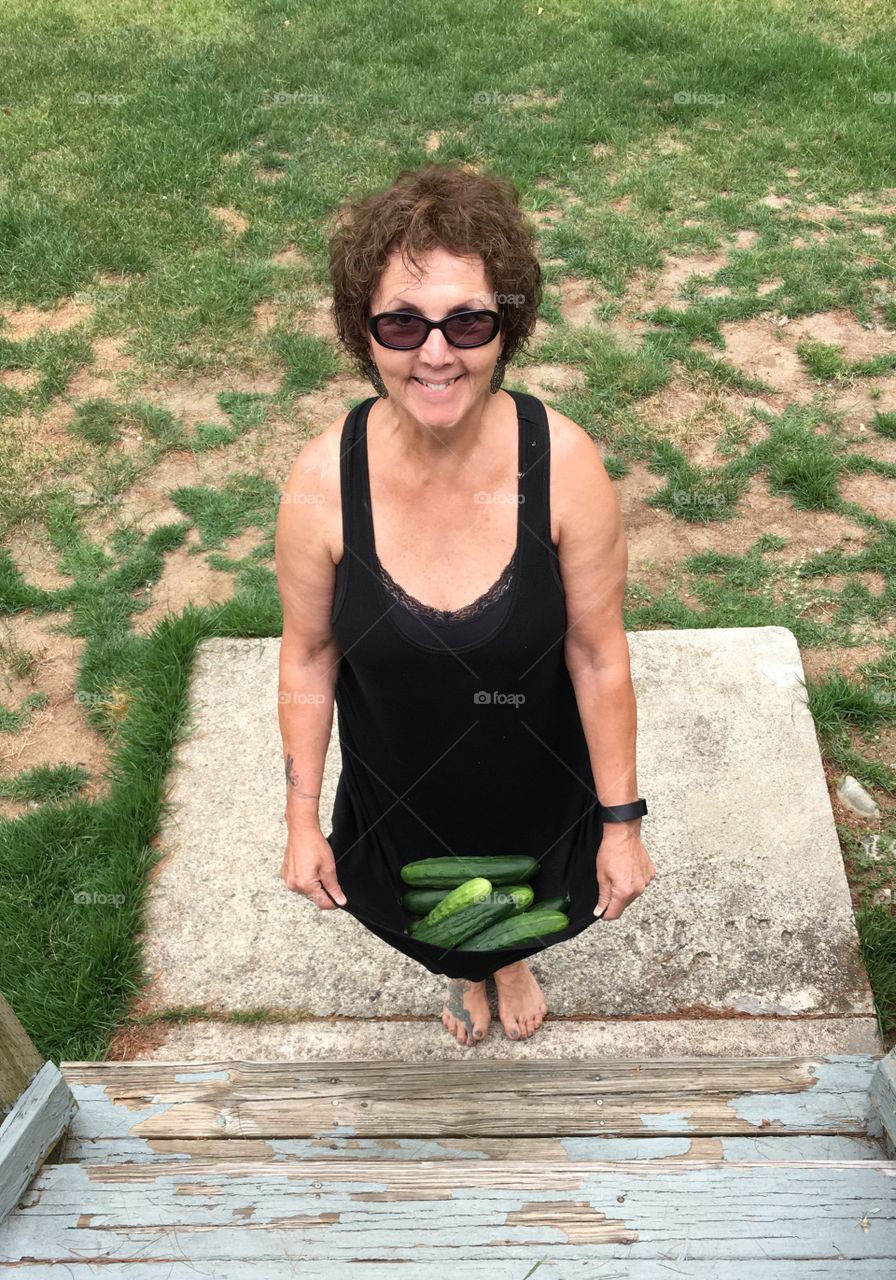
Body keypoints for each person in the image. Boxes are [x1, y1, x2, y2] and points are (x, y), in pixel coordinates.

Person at [276, 163, 655, 1046]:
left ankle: (505, 959)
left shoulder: (564, 465)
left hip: (535, 778)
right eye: (403, 323)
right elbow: (308, 653)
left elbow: (599, 653)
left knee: (516, 900)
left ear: (505, 328)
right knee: (429, 922)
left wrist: (622, 821)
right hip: (399, 786)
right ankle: (466, 968)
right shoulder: (320, 482)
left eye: (468, 322)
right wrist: (299, 818)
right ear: (362, 334)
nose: (436, 353)